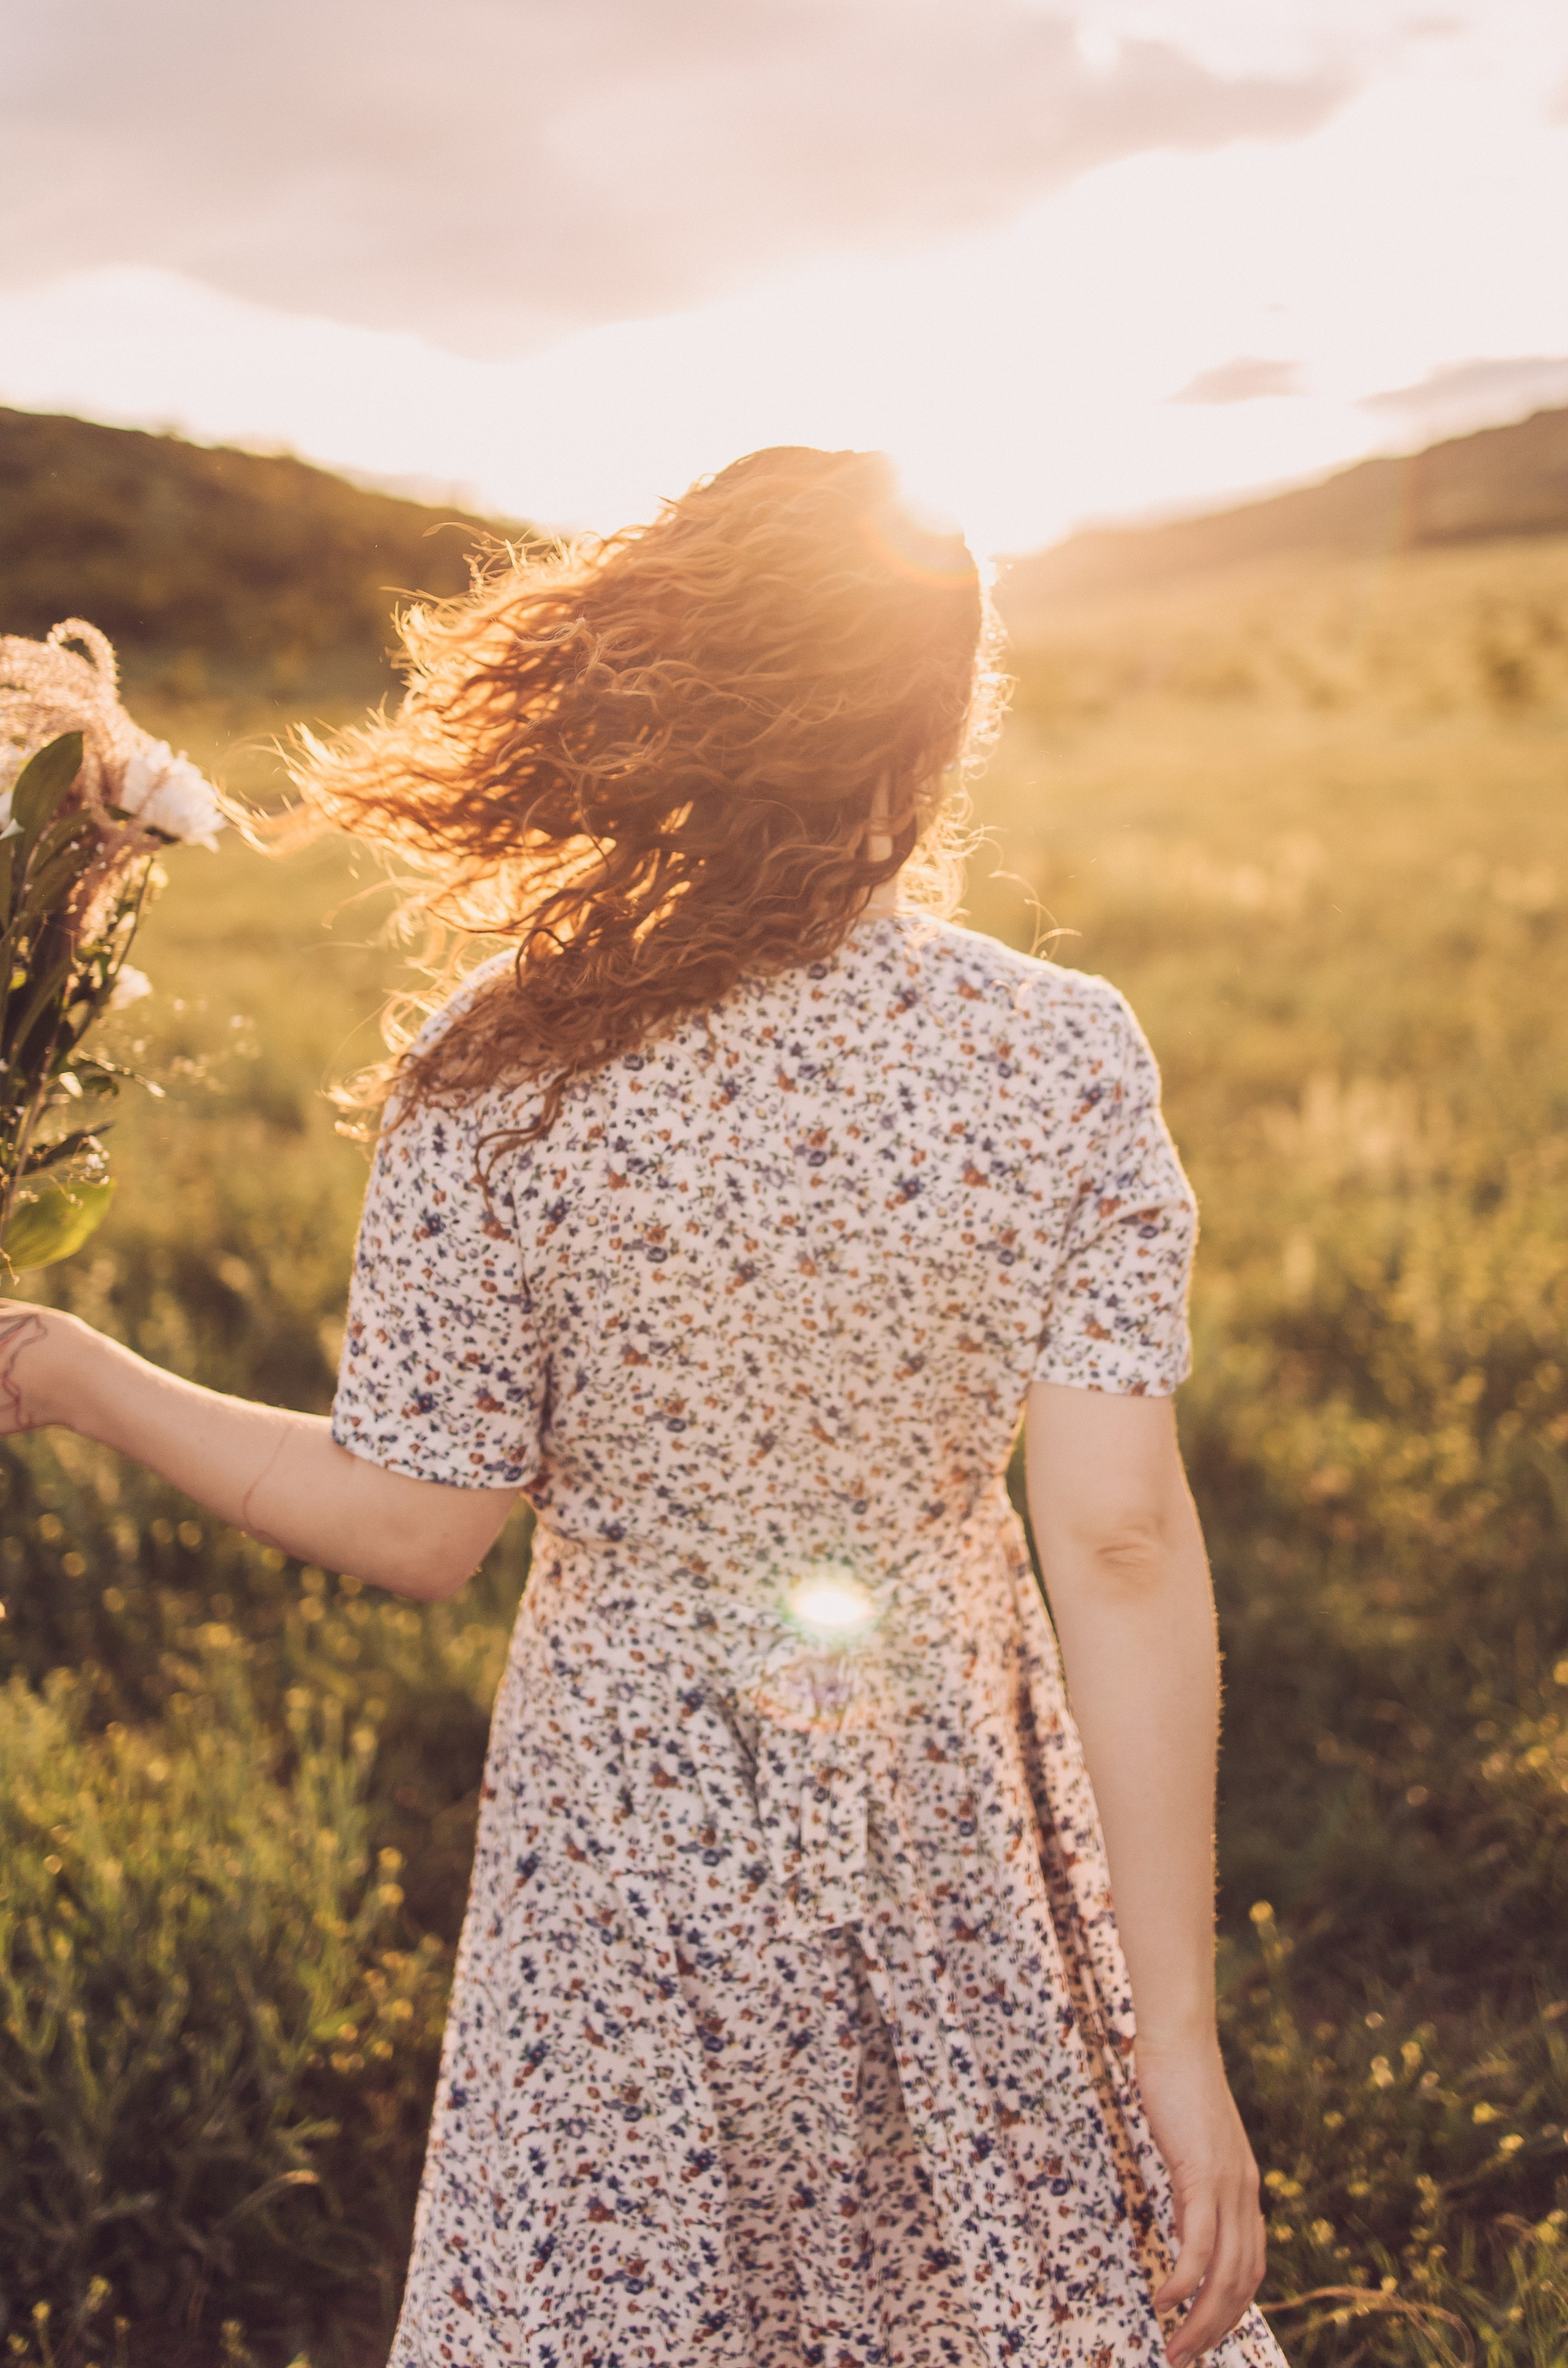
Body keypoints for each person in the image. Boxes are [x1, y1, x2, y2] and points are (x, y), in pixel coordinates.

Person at [0, 447, 1278, 2367]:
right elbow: (1116, 1537)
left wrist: (72, 1369)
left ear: (667, 694)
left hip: (619, 1842)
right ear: (933, 737)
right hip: (945, 1800)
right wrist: (1176, 2040)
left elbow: (415, 1526)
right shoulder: (1062, 1055)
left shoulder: (499, 1063)